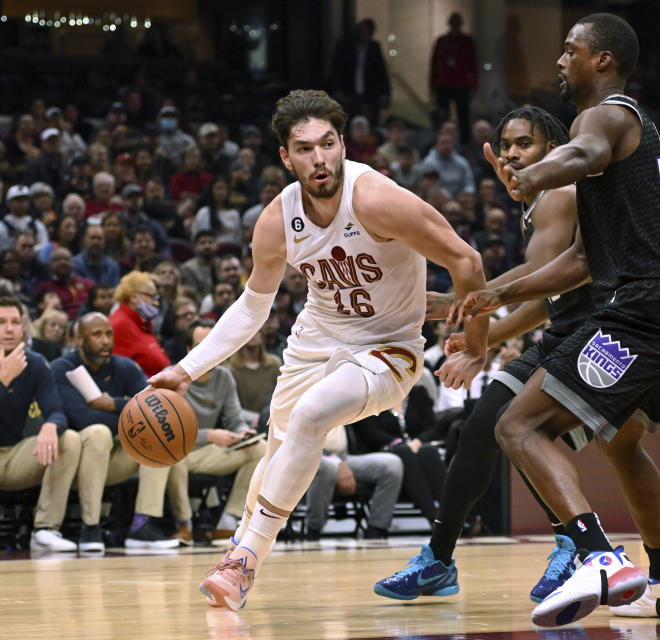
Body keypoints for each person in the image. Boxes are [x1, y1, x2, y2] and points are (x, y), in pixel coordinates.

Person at [147, 89, 488, 611]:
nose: (319, 157)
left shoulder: (376, 198)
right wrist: (186, 371)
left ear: (343, 145)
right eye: (304, 148)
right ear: (286, 157)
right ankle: (238, 552)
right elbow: (250, 309)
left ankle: (244, 562)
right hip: (316, 338)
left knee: (310, 416)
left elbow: (466, 261)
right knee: (279, 444)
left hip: (387, 347)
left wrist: (477, 348)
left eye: (328, 144)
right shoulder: (275, 220)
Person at [374, 106, 660, 621]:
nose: (510, 155)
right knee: (579, 439)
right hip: (595, 326)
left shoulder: (559, 194)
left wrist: (474, 308)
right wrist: (479, 330)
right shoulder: (554, 198)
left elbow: (548, 279)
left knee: (515, 425)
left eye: (523, 145)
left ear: (552, 151)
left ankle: (575, 548)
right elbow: (547, 297)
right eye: (504, 146)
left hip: (602, 329)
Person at [451, 15, 660, 627]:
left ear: (603, 60)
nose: (560, 60)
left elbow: (584, 150)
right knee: (623, 442)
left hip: (648, 306)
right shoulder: (627, 140)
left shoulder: (605, 115)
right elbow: (579, 262)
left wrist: (532, 176)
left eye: (570, 50)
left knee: (518, 426)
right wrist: (496, 292)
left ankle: (598, 556)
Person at [50, 312, 179, 551]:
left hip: (113, 460)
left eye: (108, 333)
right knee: (98, 431)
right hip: (76, 462)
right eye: (96, 334)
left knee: (157, 435)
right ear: (79, 339)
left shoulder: (125, 367)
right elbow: (83, 418)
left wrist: (113, 404)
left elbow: (153, 407)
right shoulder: (62, 368)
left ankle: (142, 525)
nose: (105, 340)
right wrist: (130, 409)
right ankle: (91, 527)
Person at [167, 319, 266, 545]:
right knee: (173, 458)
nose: (209, 351)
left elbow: (234, 419)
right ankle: (184, 525)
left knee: (260, 448)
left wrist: (242, 434)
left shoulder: (224, 377)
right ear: (188, 350)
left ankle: (229, 521)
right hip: (177, 452)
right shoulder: (171, 377)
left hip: (207, 454)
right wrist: (209, 435)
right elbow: (165, 433)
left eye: (214, 344)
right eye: (201, 345)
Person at [0, 296, 83, 552]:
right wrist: (2, 380)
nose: (10, 328)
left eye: (15, 322)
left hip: (13, 456)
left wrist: (51, 425)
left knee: (68, 439)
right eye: (2, 322)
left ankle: (46, 529)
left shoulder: (34, 363)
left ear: (24, 328)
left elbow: (56, 409)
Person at [303, 424, 403, 539]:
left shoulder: (339, 406)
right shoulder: (298, 407)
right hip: (311, 458)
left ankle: (376, 529)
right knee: (328, 468)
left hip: (345, 457)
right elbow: (302, 442)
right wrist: (336, 462)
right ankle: (313, 529)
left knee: (392, 464)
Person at [109, 271, 171, 377]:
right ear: (133, 297)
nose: (156, 303)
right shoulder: (118, 324)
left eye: (157, 298)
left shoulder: (143, 323)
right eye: (152, 297)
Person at [430, 13, 478, 144]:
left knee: (463, 116)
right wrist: (433, 86)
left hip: (461, 83)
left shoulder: (467, 42)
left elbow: (473, 65)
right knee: (442, 116)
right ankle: (441, 140)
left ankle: (465, 143)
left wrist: (473, 86)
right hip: (444, 83)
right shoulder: (441, 41)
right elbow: (434, 65)